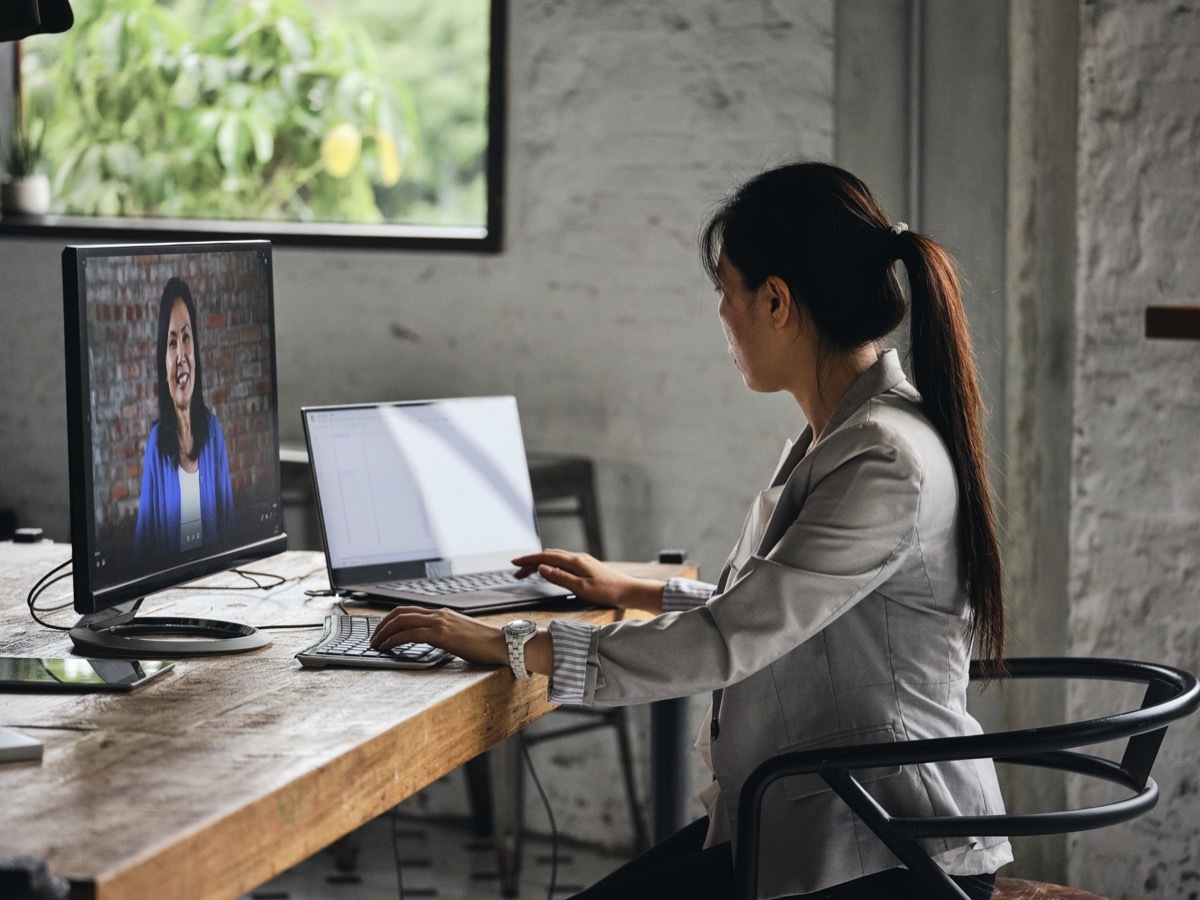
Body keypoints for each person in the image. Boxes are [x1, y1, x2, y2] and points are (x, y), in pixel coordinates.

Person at [370, 161, 1011, 899]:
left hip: (889, 853)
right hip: (825, 824)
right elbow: (791, 615)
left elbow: (730, 640)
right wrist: (639, 590)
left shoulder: (883, 458)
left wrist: (508, 641)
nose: (720, 316)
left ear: (776, 301)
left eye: (724, 291)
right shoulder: (845, 434)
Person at [133, 277, 236, 564]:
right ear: (163, 364)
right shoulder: (156, 445)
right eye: (171, 342)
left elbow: (231, 532)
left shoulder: (213, 433)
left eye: (186, 338)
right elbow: (142, 551)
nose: (181, 355)